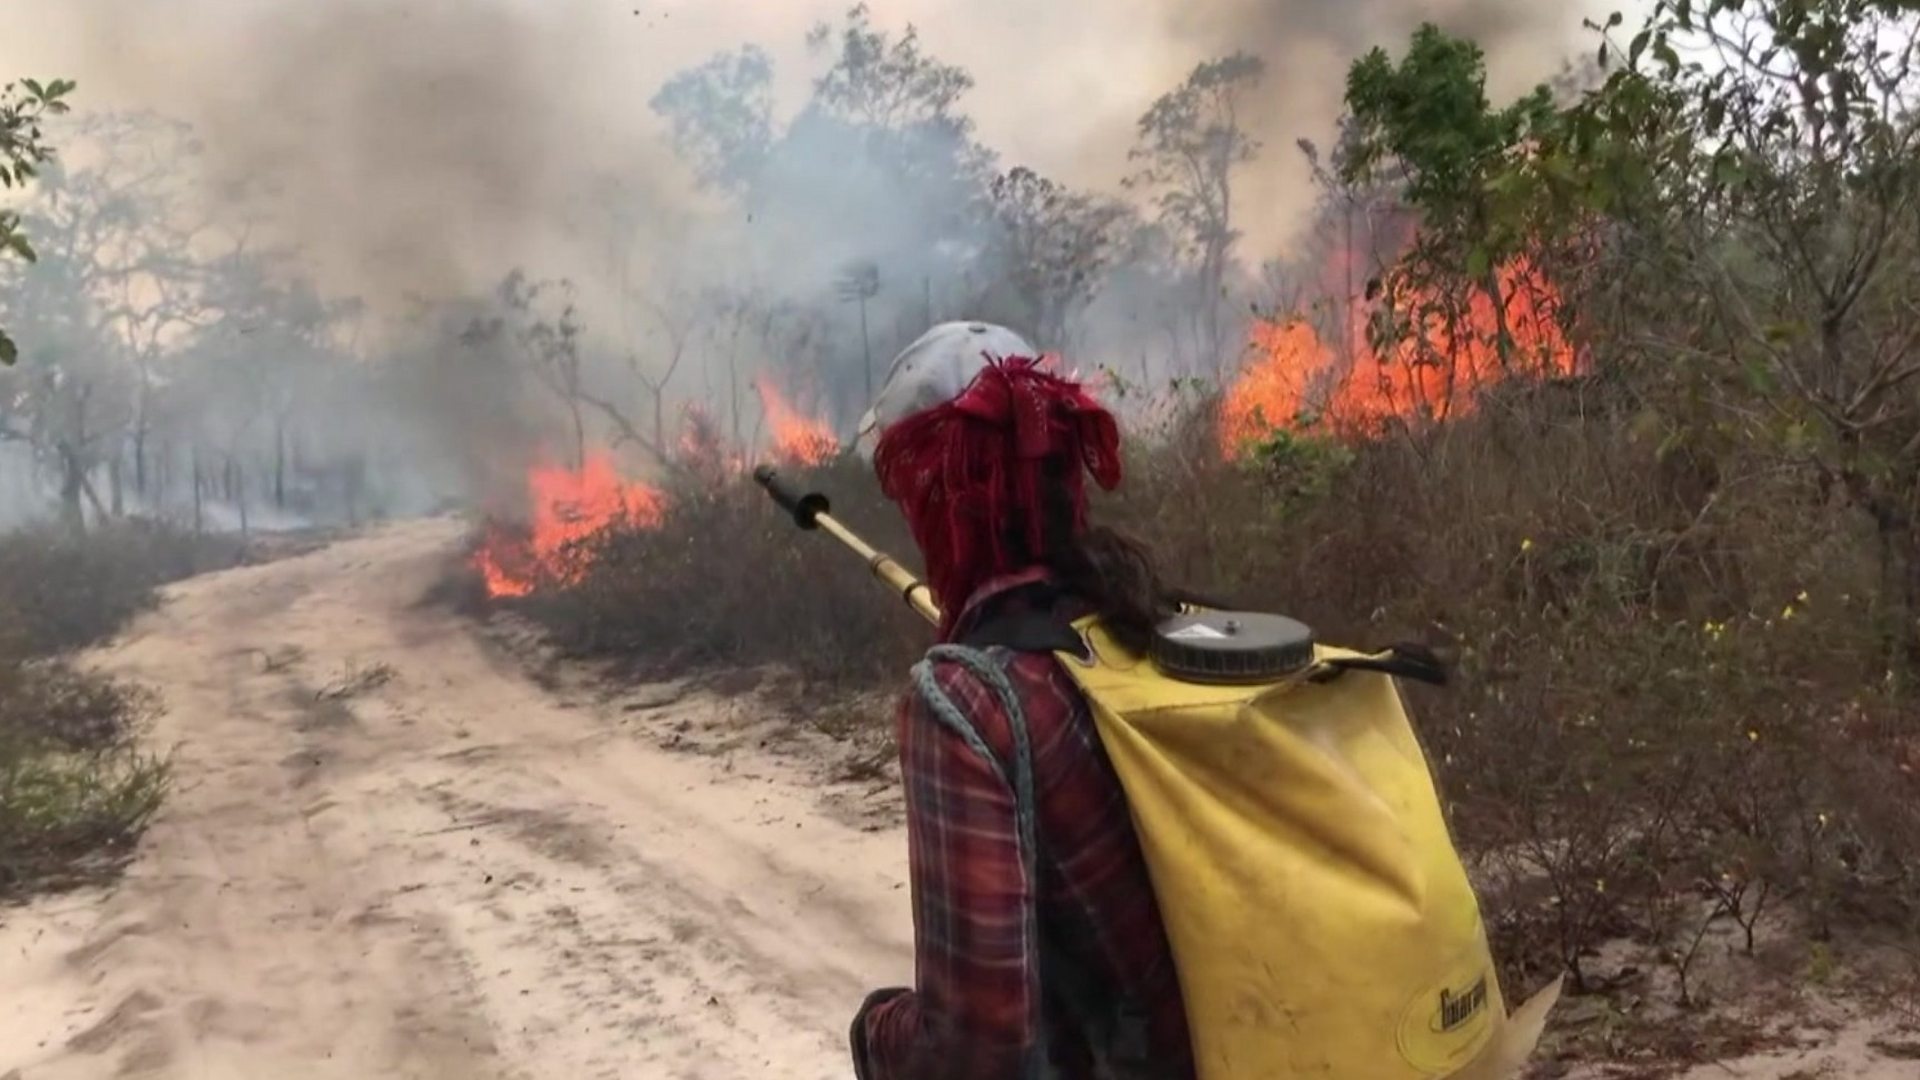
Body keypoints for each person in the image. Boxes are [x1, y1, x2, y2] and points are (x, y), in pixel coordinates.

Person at [848, 321, 1196, 1080]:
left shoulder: (968, 702)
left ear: (935, 498)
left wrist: (874, 1031)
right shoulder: (1153, 624)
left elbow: (976, 1047)